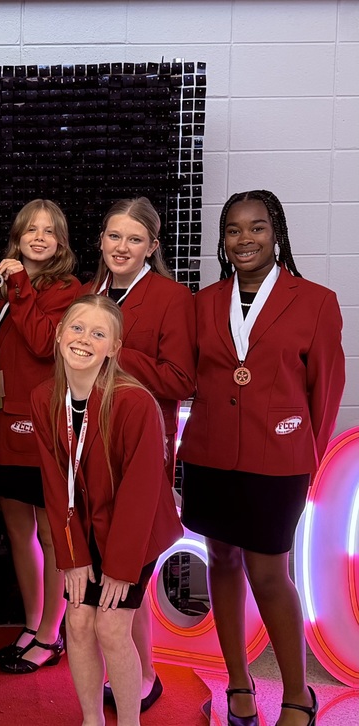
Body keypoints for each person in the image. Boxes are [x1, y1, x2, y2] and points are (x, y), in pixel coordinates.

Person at [179, 190, 344, 726]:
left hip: (279, 459)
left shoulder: (315, 301)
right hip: (210, 454)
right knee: (221, 563)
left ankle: (298, 694)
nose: (244, 239)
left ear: (277, 233)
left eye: (256, 227)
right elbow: (184, 376)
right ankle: (237, 681)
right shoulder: (203, 303)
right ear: (223, 241)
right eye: (233, 230)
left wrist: (308, 457)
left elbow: (326, 388)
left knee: (269, 573)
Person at [31, 295, 181, 726]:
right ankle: (92, 720)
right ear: (60, 335)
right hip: (84, 528)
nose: (84, 339)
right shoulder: (45, 398)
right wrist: (73, 558)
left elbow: (142, 494)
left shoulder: (135, 403)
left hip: (135, 535)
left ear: (114, 348)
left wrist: (119, 567)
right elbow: (56, 486)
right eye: (77, 328)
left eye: (98, 334)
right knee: (77, 623)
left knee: (111, 628)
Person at [82, 197, 196, 710]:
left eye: (133, 238)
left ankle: (143, 676)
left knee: (131, 558)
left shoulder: (171, 296)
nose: (121, 247)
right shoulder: (91, 292)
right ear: (101, 241)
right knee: (116, 573)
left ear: (152, 245)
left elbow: (181, 379)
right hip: (89, 448)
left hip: (141, 445)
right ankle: (144, 674)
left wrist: (113, 348)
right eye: (113, 236)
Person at [0, 200, 79, 675]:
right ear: (17, 236)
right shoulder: (3, 287)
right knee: (17, 531)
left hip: (39, 425)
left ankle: (50, 632)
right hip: (1, 424)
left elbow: (44, 343)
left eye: (49, 231)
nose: (39, 237)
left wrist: (18, 286)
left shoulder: (67, 290)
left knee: (49, 530)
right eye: (29, 229)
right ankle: (32, 621)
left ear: (60, 241)